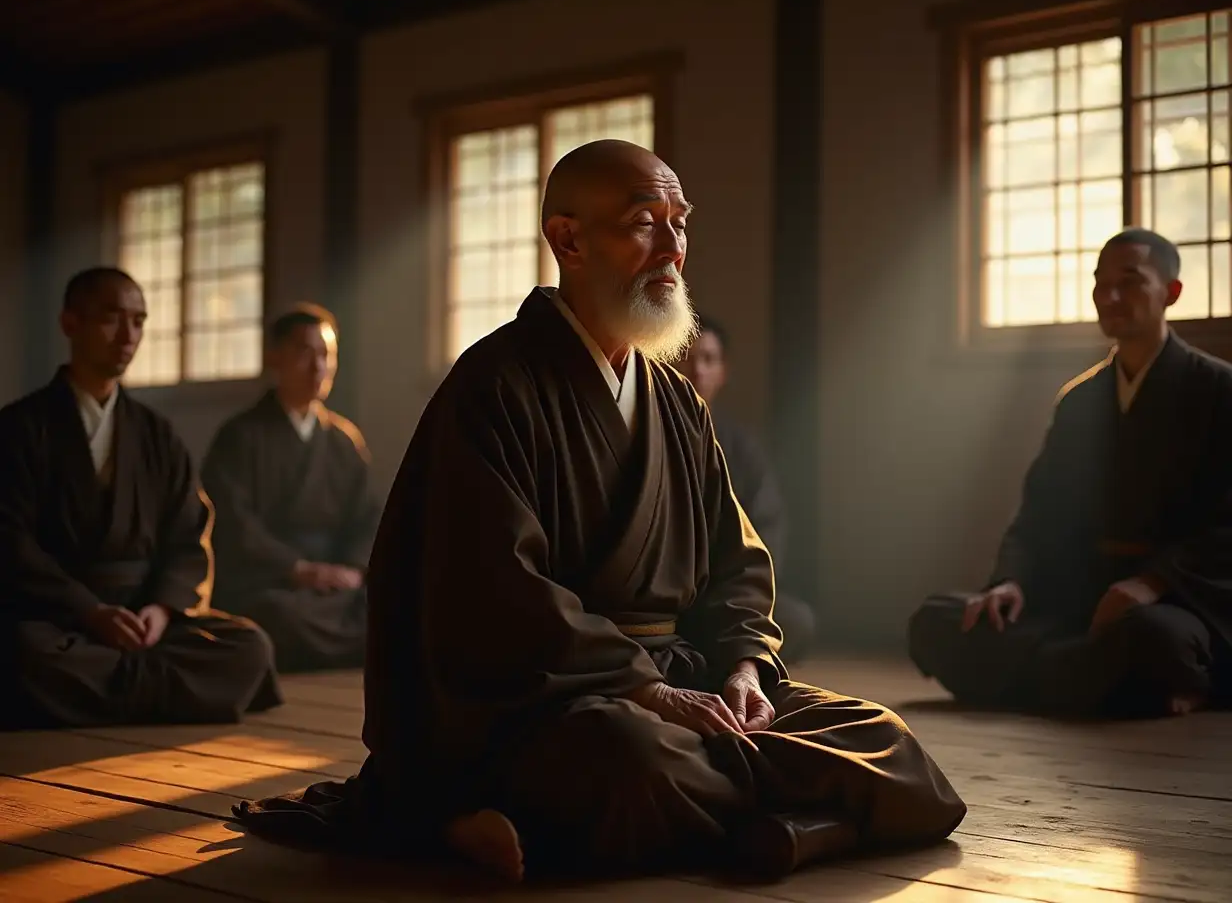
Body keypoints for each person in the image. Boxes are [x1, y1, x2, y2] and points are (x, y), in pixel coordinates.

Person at [235, 140, 965, 883]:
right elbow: (494, 590)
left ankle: (788, 829)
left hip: (687, 679)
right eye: (646, 222)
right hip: (554, 696)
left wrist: (743, 667)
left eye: (680, 223)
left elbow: (736, 560)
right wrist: (646, 689)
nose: (673, 249)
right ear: (569, 238)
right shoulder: (494, 385)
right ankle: (806, 818)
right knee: (628, 762)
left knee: (887, 740)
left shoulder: (677, 400)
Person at [908, 228, 1232, 718]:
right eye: (1100, 283)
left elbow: (1226, 526)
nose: (1110, 296)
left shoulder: (1218, 390)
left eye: (1130, 281)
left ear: (1171, 292)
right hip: (1078, 598)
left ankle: (1062, 679)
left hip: (1175, 602)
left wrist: (1152, 582)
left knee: (1154, 637)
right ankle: (1122, 688)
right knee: (937, 621)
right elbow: (1039, 511)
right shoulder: (1081, 400)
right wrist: (1011, 582)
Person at [0, 267, 282, 729]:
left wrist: (163, 609)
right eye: (112, 318)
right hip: (60, 620)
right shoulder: (20, 427)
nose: (128, 335)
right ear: (70, 323)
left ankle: (102, 693)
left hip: (143, 622)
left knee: (250, 647)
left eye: (139, 320)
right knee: (20, 651)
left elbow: (190, 531)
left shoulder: (156, 434)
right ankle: (158, 693)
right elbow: (9, 541)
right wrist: (89, 611)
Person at [201, 305, 379, 672]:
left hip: (335, 581)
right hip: (270, 579)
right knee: (279, 616)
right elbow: (233, 522)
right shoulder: (241, 436)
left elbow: (368, 517)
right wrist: (298, 569)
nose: (318, 367)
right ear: (275, 359)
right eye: (304, 352)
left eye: (326, 354)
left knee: (395, 599)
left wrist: (353, 570)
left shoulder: (344, 440)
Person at [678, 316, 816, 659]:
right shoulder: (647, 434)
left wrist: (738, 589)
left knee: (796, 621)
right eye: (687, 356)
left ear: (722, 372)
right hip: (666, 595)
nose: (697, 370)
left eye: (709, 359)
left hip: (726, 594)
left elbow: (767, 529)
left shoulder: (741, 447)